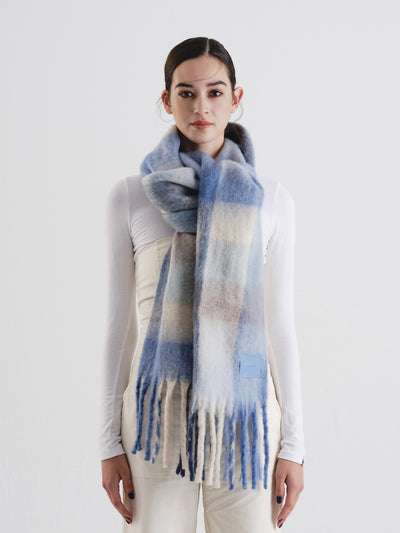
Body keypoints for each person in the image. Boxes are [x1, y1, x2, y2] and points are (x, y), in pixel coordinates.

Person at [98, 36, 305, 532]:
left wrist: (295, 445)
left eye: (215, 92)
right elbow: (120, 327)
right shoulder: (131, 197)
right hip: (156, 415)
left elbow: (279, 326)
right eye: (186, 93)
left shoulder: (271, 200)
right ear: (166, 100)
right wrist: (107, 441)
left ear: (236, 98)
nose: (201, 107)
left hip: (245, 418)